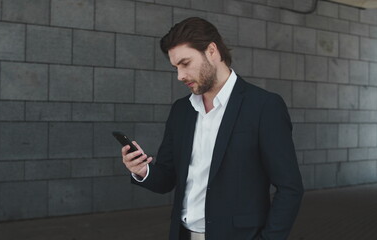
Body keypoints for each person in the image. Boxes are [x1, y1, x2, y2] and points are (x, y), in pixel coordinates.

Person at [121, 17, 304, 240]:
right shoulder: (181, 110)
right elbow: (168, 178)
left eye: (185, 63)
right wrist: (142, 171)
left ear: (212, 51)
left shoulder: (264, 106)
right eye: (175, 67)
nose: (180, 76)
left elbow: (290, 188)